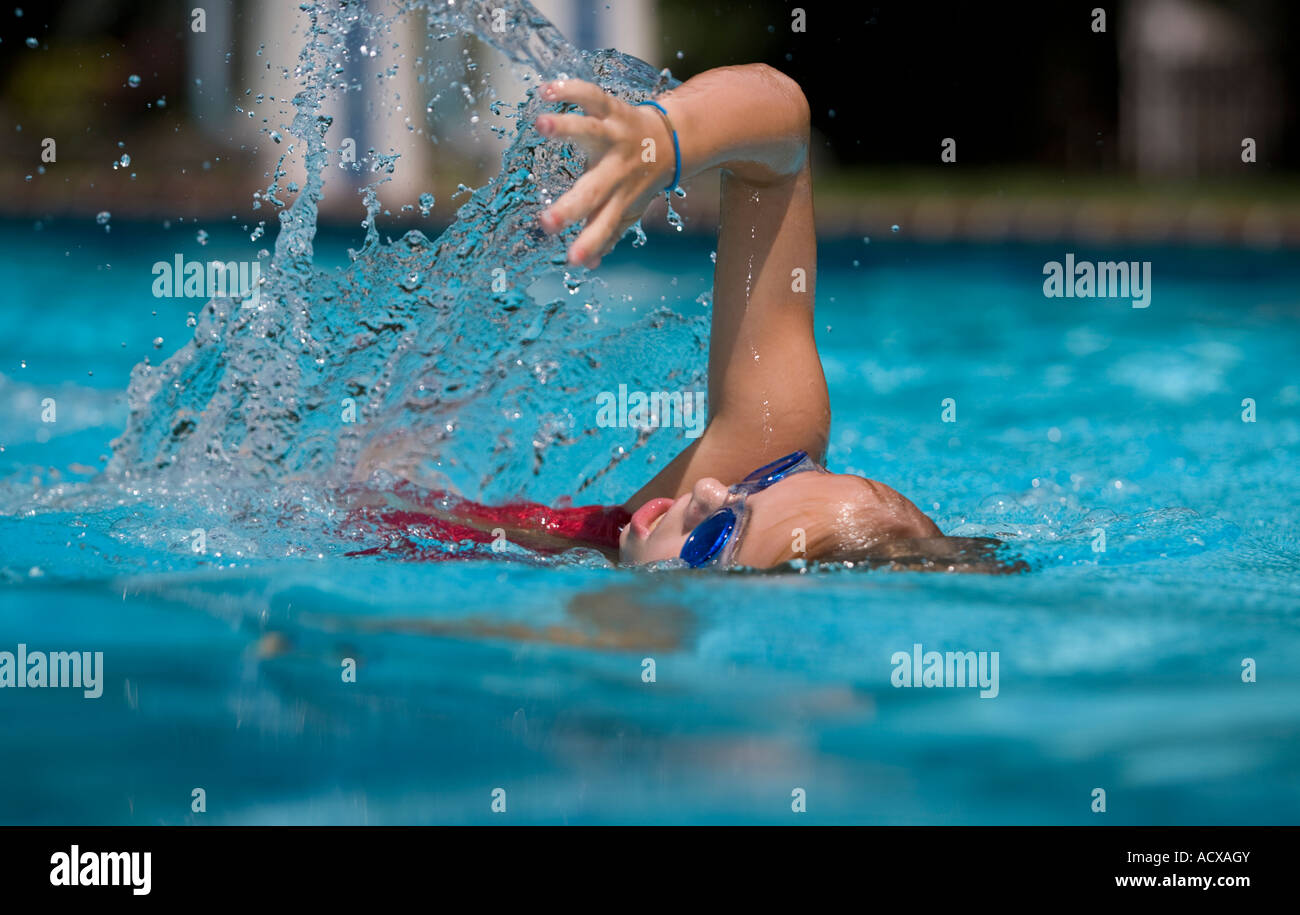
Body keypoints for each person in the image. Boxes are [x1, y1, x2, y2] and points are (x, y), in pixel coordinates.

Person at [351, 64, 1020, 574]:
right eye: (760, 480)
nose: (705, 489)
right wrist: (667, 138)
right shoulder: (759, 446)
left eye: (718, 536)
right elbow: (782, 125)